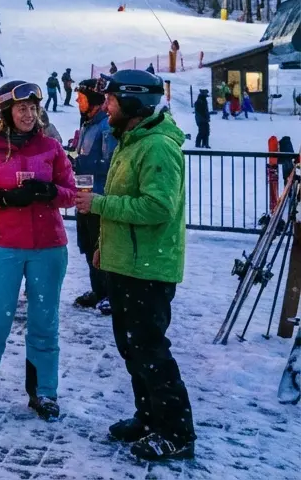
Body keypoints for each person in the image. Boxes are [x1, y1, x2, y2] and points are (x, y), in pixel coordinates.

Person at [75, 71, 195, 461]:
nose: (106, 106)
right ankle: (148, 418)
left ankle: (177, 433)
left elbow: (158, 207)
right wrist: (103, 247)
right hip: (126, 263)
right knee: (132, 349)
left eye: (112, 100)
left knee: (151, 350)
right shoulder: (130, 141)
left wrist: (98, 205)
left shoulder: (157, 146)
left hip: (149, 267)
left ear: (133, 103)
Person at [0, 80, 75, 421]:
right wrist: (3, 198)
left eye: (33, 108)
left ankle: (44, 392)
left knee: (44, 320)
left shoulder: (51, 147)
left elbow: (71, 193)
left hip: (48, 247)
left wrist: (49, 192)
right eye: (22, 108)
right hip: (5, 246)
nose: (29, 114)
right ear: (7, 112)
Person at [71, 78, 116, 315]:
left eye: (82, 98)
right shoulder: (88, 124)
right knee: (88, 245)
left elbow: (111, 163)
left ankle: (110, 294)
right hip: (85, 195)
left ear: (94, 101)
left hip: (100, 196)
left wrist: (83, 163)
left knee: (102, 246)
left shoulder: (106, 127)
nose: (78, 101)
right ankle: (98, 290)